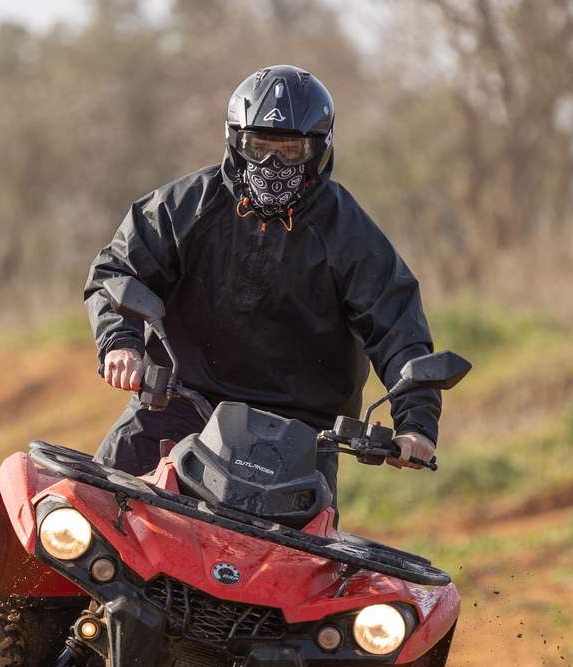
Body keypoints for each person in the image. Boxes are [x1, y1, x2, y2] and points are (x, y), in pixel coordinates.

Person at [82, 65, 441, 500]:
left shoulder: (351, 235)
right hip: (177, 404)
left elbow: (399, 330)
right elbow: (118, 269)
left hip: (299, 433)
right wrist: (120, 341)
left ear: (319, 149)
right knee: (89, 508)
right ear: (235, 141)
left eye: (289, 150)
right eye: (259, 146)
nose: (271, 164)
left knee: (306, 561)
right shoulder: (184, 205)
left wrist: (416, 424)